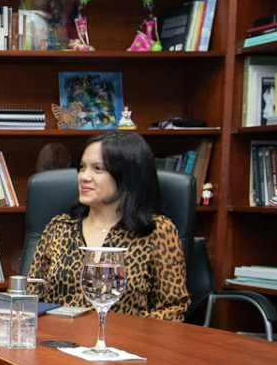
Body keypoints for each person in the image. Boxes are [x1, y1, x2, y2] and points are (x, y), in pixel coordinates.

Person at [26, 129, 189, 321]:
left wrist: (129, 335)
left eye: (98, 168)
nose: (84, 176)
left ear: (127, 175)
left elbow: (173, 309)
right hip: (58, 336)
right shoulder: (59, 227)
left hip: (125, 339)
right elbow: (31, 298)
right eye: (82, 167)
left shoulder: (156, 231)